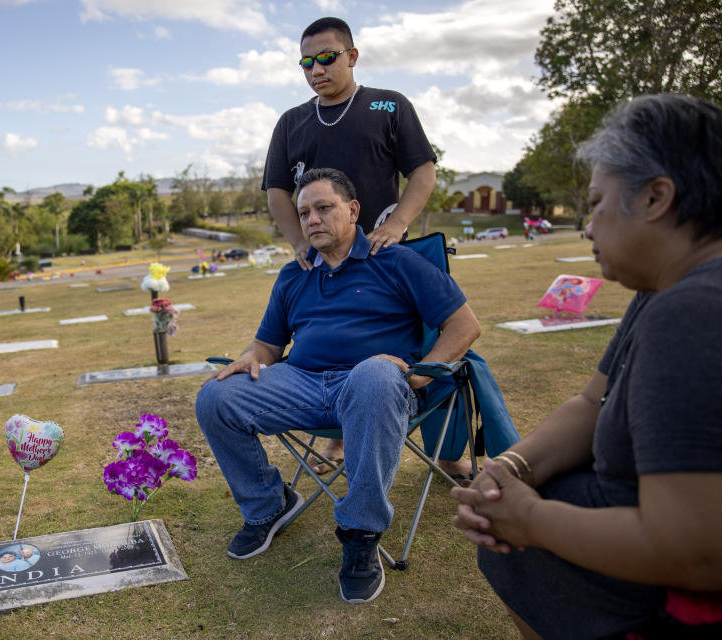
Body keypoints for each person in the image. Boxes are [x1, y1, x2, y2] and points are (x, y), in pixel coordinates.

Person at [451, 94, 722, 639]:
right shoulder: (663, 290)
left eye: (597, 201)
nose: (588, 224)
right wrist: (512, 467)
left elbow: (697, 553)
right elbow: (592, 401)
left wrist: (531, 521)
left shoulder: (693, 312)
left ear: (656, 197)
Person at [197, 168, 481, 603]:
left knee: (373, 373)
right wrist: (252, 357)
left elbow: (463, 326)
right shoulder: (295, 274)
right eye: (304, 211)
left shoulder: (397, 261)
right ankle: (268, 505)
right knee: (216, 395)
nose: (312, 219)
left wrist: (419, 373)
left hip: (377, 390)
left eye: (324, 208)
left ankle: (361, 533)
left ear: (352, 210)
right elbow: (267, 345)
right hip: (303, 383)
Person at [262, 17, 463, 477]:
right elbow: (276, 189)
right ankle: (336, 444)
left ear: (351, 56)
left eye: (327, 57)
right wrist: (298, 241)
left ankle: (449, 453)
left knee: (437, 346)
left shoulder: (389, 106)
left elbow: (423, 171)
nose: (316, 69)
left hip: (383, 255)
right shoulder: (291, 122)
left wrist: (398, 222)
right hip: (324, 261)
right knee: (331, 343)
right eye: (306, 62)